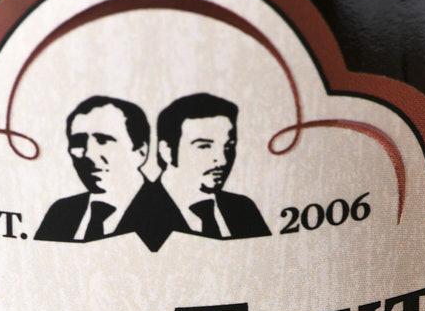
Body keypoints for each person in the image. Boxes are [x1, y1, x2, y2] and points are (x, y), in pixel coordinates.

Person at [36, 96, 158, 242]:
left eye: (103, 140)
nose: (89, 154)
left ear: (141, 151)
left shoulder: (162, 212)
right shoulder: (60, 212)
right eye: (78, 141)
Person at [155, 93, 270, 240]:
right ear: (167, 151)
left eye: (228, 146)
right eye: (204, 146)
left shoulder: (244, 208)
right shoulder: (142, 214)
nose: (222, 161)